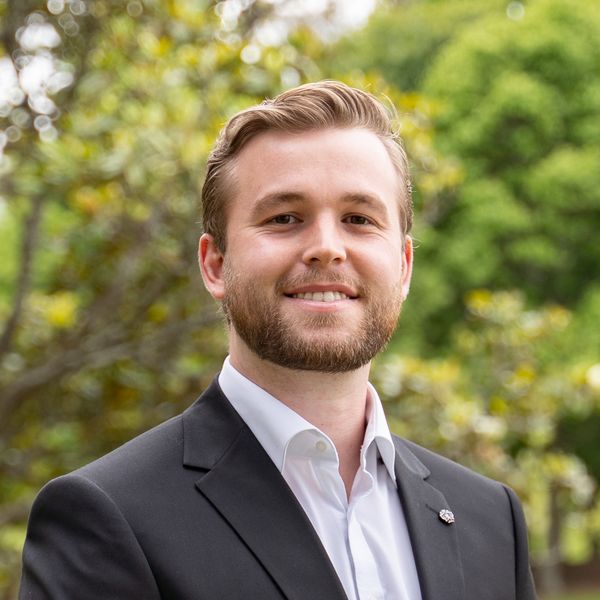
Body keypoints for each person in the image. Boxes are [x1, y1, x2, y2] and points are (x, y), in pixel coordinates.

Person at [19, 81, 537, 600]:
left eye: (359, 219)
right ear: (215, 264)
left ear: (403, 267)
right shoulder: (106, 516)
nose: (327, 248)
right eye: (284, 218)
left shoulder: (491, 519)